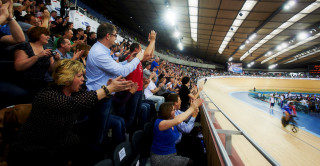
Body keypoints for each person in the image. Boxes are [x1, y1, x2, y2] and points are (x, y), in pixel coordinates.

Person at [8, 59, 133, 166]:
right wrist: (108, 89)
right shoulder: (47, 95)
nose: (83, 80)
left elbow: (89, 100)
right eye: (79, 76)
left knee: (95, 151)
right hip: (34, 150)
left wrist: (108, 88)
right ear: (67, 77)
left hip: (60, 140)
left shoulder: (75, 93)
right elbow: (72, 104)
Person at [85, 23, 145, 144]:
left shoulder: (101, 50)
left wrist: (128, 61)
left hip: (103, 96)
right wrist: (138, 59)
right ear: (108, 36)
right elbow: (121, 71)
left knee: (102, 131)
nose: (115, 38)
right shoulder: (99, 52)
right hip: (99, 98)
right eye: (115, 35)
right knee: (98, 134)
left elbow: (116, 66)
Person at [150, 99, 203, 166]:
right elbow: (178, 120)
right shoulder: (160, 123)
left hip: (172, 151)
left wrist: (193, 111)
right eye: (173, 110)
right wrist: (192, 107)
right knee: (191, 162)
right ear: (167, 112)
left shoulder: (170, 119)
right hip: (161, 158)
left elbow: (184, 117)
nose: (175, 111)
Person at [14, 27, 59, 98]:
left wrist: (57, 60)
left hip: (42, 83)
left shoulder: (46, 50)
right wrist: (38, 56)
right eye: (46, 34)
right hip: (25, 83)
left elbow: (51, 69)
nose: (48, 37)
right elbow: (19, 67)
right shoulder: (24, 46)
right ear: (37, 35)